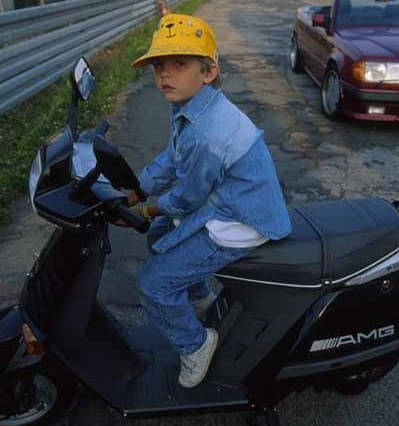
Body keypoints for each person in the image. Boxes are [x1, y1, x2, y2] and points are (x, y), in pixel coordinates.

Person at [123, 14, 291, 388]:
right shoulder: (193, 106)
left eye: (179, 65)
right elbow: (172, 157)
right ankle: (199, 299)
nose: (166, 75)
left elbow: (186, 197)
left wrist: (145, 210)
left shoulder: (207, 132)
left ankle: (196, 344)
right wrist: (136, 190)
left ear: (209, 71)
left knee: (153, 285)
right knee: (157, 238)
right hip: (222, 199)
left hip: (240, 218)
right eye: (159, 67)